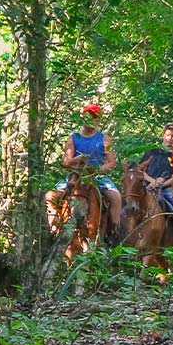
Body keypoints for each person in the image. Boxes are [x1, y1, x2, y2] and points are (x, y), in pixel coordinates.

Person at [44, 102, 122, 242]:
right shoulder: (73, 138)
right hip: (76, 174)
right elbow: (66, 162)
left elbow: (111, 162)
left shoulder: (104, 139)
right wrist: (78, 159)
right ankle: (53, 227)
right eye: (89, 116)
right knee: (50, 196)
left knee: (115, 197)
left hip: (97, 176)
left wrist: (98, 169)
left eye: (94, 117)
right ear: (83, 117)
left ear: (98, 120)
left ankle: (113, 232)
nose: (91, 120)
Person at [135, 123, 173, 213]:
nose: (170, 138)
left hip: (166, 188)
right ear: (163, 135)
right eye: (168, 135)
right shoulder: (152, 150)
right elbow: (140, 170)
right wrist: (153, 181)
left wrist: (161, 184)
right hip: (148, 186)